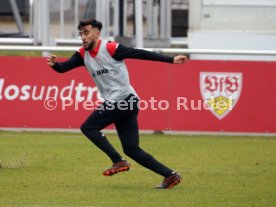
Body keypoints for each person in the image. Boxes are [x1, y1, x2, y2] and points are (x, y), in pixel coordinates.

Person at [47, 18, 188, 189]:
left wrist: (170, 60)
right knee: (131, 149)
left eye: (86, 33)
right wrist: (54, 64)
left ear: (97, 33)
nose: (83, 37)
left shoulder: (111, 48)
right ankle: (170, 175)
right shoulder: (82, 54)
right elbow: (63, 68)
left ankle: (118, 161)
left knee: (88, 127)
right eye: (81, 34)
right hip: (126, 101)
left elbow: (140, 53)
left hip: (123, 100)